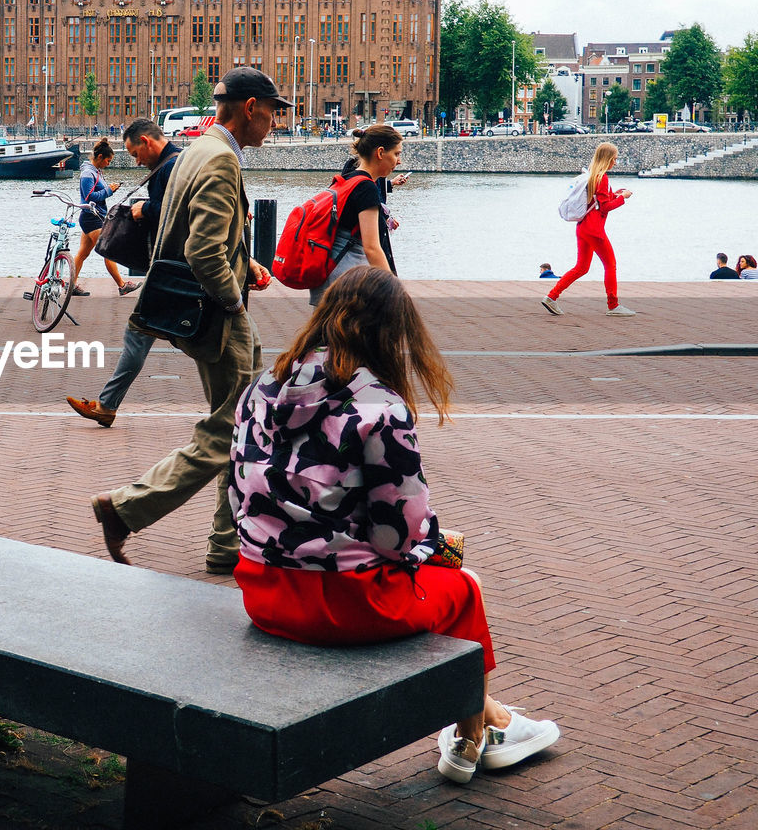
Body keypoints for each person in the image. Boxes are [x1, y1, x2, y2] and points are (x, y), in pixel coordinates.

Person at [230, 266, 561, 784]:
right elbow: (396, 536)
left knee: (443, 576)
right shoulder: (380, 407)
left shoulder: (260, 390)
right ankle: (471, 740)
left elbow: (238, 496)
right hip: (341, 605)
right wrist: (438, 541)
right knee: (464, 585)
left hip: (263, 593)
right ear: (391, 333)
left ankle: (492, 719)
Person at [89, 66, 283, 574]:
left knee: (242, 425)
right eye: (273, 111)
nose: (276, 122)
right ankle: (125, 508)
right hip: (219, 317)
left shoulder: (198, 149)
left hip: (194, 312)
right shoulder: (220, 160)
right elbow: (201, 249)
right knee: (231, 430)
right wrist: (234, 301)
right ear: (250, 108)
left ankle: (226, 547)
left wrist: (247, 262)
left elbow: (194, 237)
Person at [65, 119, 180, 427]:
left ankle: (107, 405)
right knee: (144, 335)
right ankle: (106, 405)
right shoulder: (176, 162)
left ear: (147, 141)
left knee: (150, 335)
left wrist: (146, 210)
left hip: (173, 270)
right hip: (172, 270)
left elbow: (176, 211)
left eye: (134, 153)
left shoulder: (169, 168)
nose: (136, 161)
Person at [308, 124, 401, 308]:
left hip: (331, 274)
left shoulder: (348, 179)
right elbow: (372, 247)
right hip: (348, 281)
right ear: (380, 153)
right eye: (396, 154)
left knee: (325, 335)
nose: (399, 161)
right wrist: (394, 291)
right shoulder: (366, 188)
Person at [542, 142, 635, 317]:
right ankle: (613, 306)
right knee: (610, 265)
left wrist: (615, 194)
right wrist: (623, 198)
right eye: (614, 159)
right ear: (607, 159)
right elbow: (605, 207)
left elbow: (597, 201)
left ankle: (551, 297)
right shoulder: (603, 177)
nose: (615, 162)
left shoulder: (592, 176)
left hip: (583, 227)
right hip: (594, 229)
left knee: (582, 267)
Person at [71, 138, 141, 297]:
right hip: (91, 218)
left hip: (92, 216)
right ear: (100, 157)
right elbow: (88, 197)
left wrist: (110, 189)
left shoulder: (95, 171)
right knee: (108, 251)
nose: (109, 164)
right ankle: (122, 286)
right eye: (108, 160)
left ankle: (71, 285)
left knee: (82, 254)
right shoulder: (88, 173)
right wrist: (109, 191)